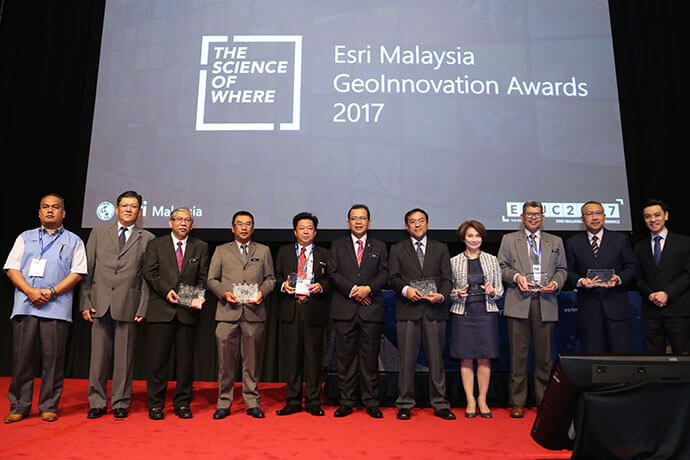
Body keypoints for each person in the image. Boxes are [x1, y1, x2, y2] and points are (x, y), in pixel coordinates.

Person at [4, 194, 86, 423]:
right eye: (45, 207)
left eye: (55, 207)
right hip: (26, 305)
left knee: (54, 360)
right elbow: (12, 269)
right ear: (39, 212)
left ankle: (48, 405)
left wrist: (51, 293)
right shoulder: (25, 238)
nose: (50, 211)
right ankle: (19, 405)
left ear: (64, 213)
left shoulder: (74, 241)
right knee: (22, 359)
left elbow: (77, 273)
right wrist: (30, 292)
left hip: (57, 308)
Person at [80, 190, 155, 419]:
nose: (129, 209)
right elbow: (87, 270)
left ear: (140, 211)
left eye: (133, 206)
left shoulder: (148, 238)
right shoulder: (98, 232)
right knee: (98, 359)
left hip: (128, 304)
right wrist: (85, 302)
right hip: (100, 303)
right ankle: (97, 402)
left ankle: (121, 402)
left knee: (124, 359)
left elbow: (146, 278)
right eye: (125, 205)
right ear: (116, 208)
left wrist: (142, 307)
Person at [497, 200, 567, 418]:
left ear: (543, 217)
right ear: (522, 217)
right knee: (518, 356)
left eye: (537, 214)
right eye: (529, 214)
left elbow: (563, 269)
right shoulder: (509, 240)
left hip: (545, 302)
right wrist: (516, 277)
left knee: (545, 358)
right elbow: (501, 267)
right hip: (519, 301)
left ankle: (543, 401)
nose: (533, 218)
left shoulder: (555, 241)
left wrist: (555, 284)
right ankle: (517, 402)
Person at [207, 211, 276, 419]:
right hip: (227, 313)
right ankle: (224, 403)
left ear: (253, 228)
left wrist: (261, 293)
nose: (244, 228)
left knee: (252, 363)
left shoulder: (263, 251)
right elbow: (212, 280)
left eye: (248, 224)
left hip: (254, 313)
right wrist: (223, 293)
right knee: (225, 363)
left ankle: (252, 402)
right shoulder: (221, 250)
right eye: (240, 224)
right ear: (232, 228)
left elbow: (271, 278)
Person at [142, 207, 209, 420]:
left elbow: (203, 278)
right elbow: (149, 273)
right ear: (170, 222)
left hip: (188, 312)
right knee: (157, 362)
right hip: (161, 310)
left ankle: (182, 403)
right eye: (179, 219)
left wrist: (197, 295)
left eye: (187, 220)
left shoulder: (201, 247)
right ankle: (155, 404)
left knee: (185, 363)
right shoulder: (155, 244)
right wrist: (166, 291)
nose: (183, 223)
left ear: (192, 225)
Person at [388, 208, 455, 420]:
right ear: (406, 226)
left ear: (427, 224)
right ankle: (405, 403)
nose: (417, 225)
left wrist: (442, 295)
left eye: (421, 221)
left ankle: (440, 403)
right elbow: (393, 277)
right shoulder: (398, 249)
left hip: (434, 310)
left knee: (437, 360)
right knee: (406, 361)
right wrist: (406, 290)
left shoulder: (441, 248)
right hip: (408, 310)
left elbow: (447, 279)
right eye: (412, 222)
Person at [328, 204, 388, 418]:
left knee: (370, 359)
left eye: (362, 218)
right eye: (354, 218)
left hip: (370, 310)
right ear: (348, 223)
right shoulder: (337, 245)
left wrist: (368, 289)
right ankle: (346, 402)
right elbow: (333, 274)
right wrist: (354, 291)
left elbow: (384, 273)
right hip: (344, 310)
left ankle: (371, 402)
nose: (359, 221)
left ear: (369, 222)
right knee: (344, 360)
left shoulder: (379, 246)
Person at [274, 212, 331, 416]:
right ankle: (293, 400)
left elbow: (331, 279)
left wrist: (321, 286)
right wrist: (283, 286)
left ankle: (314, 401)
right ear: (295, 231)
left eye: (309, 228)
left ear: (315, 232)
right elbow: (277, 276)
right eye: (302, 228)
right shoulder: (283, 252)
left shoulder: (325, 253)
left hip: (314, 309)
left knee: (314, 359)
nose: (305, 231)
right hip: (290, 309)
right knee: (292, 359)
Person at [565, 201, 637, 354]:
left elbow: (632, 267)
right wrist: (580, 281)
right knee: (593, 359)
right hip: (589, 309)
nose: (594, 217)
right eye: (589, 214)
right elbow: (568, 271)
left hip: (616, 307)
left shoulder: (620, 239)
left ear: (604, 216)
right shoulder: (572, 243)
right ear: (582, 219)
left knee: (621, 357)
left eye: (598, 213)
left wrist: (618, 278)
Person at [449, 220, 503, 419]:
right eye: (470, 236)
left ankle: (482, 398)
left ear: (482, 238)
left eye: (477, 236)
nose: (474, 239)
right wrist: (457, 294)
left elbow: (499, 291)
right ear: (464, 238)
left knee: (484, 357)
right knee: (465, 357)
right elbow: (449, 290)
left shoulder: (492, 259)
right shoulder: (453, 261)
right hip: (463, 313)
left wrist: (492, 291)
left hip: (486, 312)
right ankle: (470, 399)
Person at [634, 199, 690, 354]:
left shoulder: (685, 243)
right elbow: (637, 277)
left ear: (666, 215)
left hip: (679, 311)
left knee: (683, 358)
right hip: (651, 312)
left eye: (657, 215)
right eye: (648, 216)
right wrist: (650, 294)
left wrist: (667, 294)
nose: (653, 220)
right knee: (654, 360)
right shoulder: (639, 247)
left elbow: (688, 274)